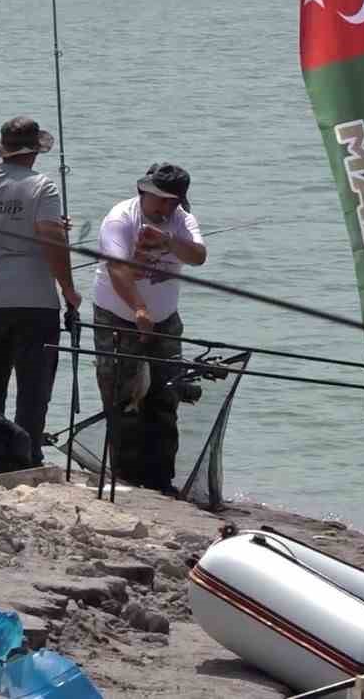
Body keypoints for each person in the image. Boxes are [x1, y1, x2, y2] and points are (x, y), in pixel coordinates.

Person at [0, 117, 81, 466]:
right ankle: (25, 455)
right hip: (32, 299)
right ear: (35, 151)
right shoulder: (42, 187)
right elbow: (51, 240)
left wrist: (45, 224)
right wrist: (69, 290)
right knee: (33, 385)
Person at [91, 163, 206, 493]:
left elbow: (198, 256)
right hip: (118, 317)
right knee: (123, 398)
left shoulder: (182, 221)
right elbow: (116, 267)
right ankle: (125, 476)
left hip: (166, 321)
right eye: (160, 199)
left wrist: (169, 242)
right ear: (145, 192)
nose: (166, 207)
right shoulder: (121, 218)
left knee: (165, 397)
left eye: (173, 201)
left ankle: (161, 479)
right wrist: (139, 308)